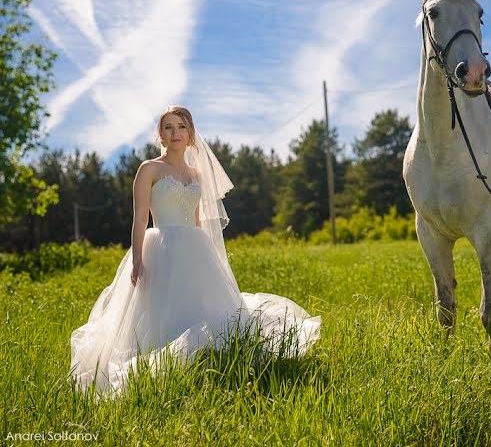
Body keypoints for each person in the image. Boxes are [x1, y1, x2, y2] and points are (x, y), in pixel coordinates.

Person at [70, 106, 320, 392]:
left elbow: (198, 219)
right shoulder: (149, 169)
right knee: (160, 311)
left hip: (195, 246)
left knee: (206, 307)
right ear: (160, 136)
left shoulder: (197, 174)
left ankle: (205, 361)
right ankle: (159, 364)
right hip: (160, 245)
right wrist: (137, 259)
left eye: (181, 127)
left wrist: (208, 257)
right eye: (168, 127)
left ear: (190, 134)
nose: (175, 133)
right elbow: (140, 217)